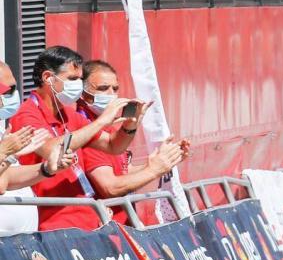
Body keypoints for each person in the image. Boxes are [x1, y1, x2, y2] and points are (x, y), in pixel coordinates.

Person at [9, 46, 148, 231]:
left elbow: (113, 145)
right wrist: (101, 121)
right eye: (72, 79)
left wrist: (130, 125)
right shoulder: (26, 113)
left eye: (80, 79)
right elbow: (51, 150)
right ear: (48, 78)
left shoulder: (68, 113)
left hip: (87, 218)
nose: (78, 84)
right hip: (54, 223)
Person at [77, 60, 187, 224]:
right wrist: (153, 170)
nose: (111, 94)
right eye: (102, 88)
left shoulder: (108, 128)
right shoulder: (87, 131)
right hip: (106, 230)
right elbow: (110, 187)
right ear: (83, 94)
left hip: (123, 224)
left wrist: (162, 161)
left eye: (115, 88)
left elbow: (122, 172)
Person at [0, 61, 75, 235]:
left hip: (19, 244)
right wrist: (6, 153)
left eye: (14, 88)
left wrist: (46, 168)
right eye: (8, 90)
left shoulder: (3, 130)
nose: (14, 94)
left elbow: (6, 179)